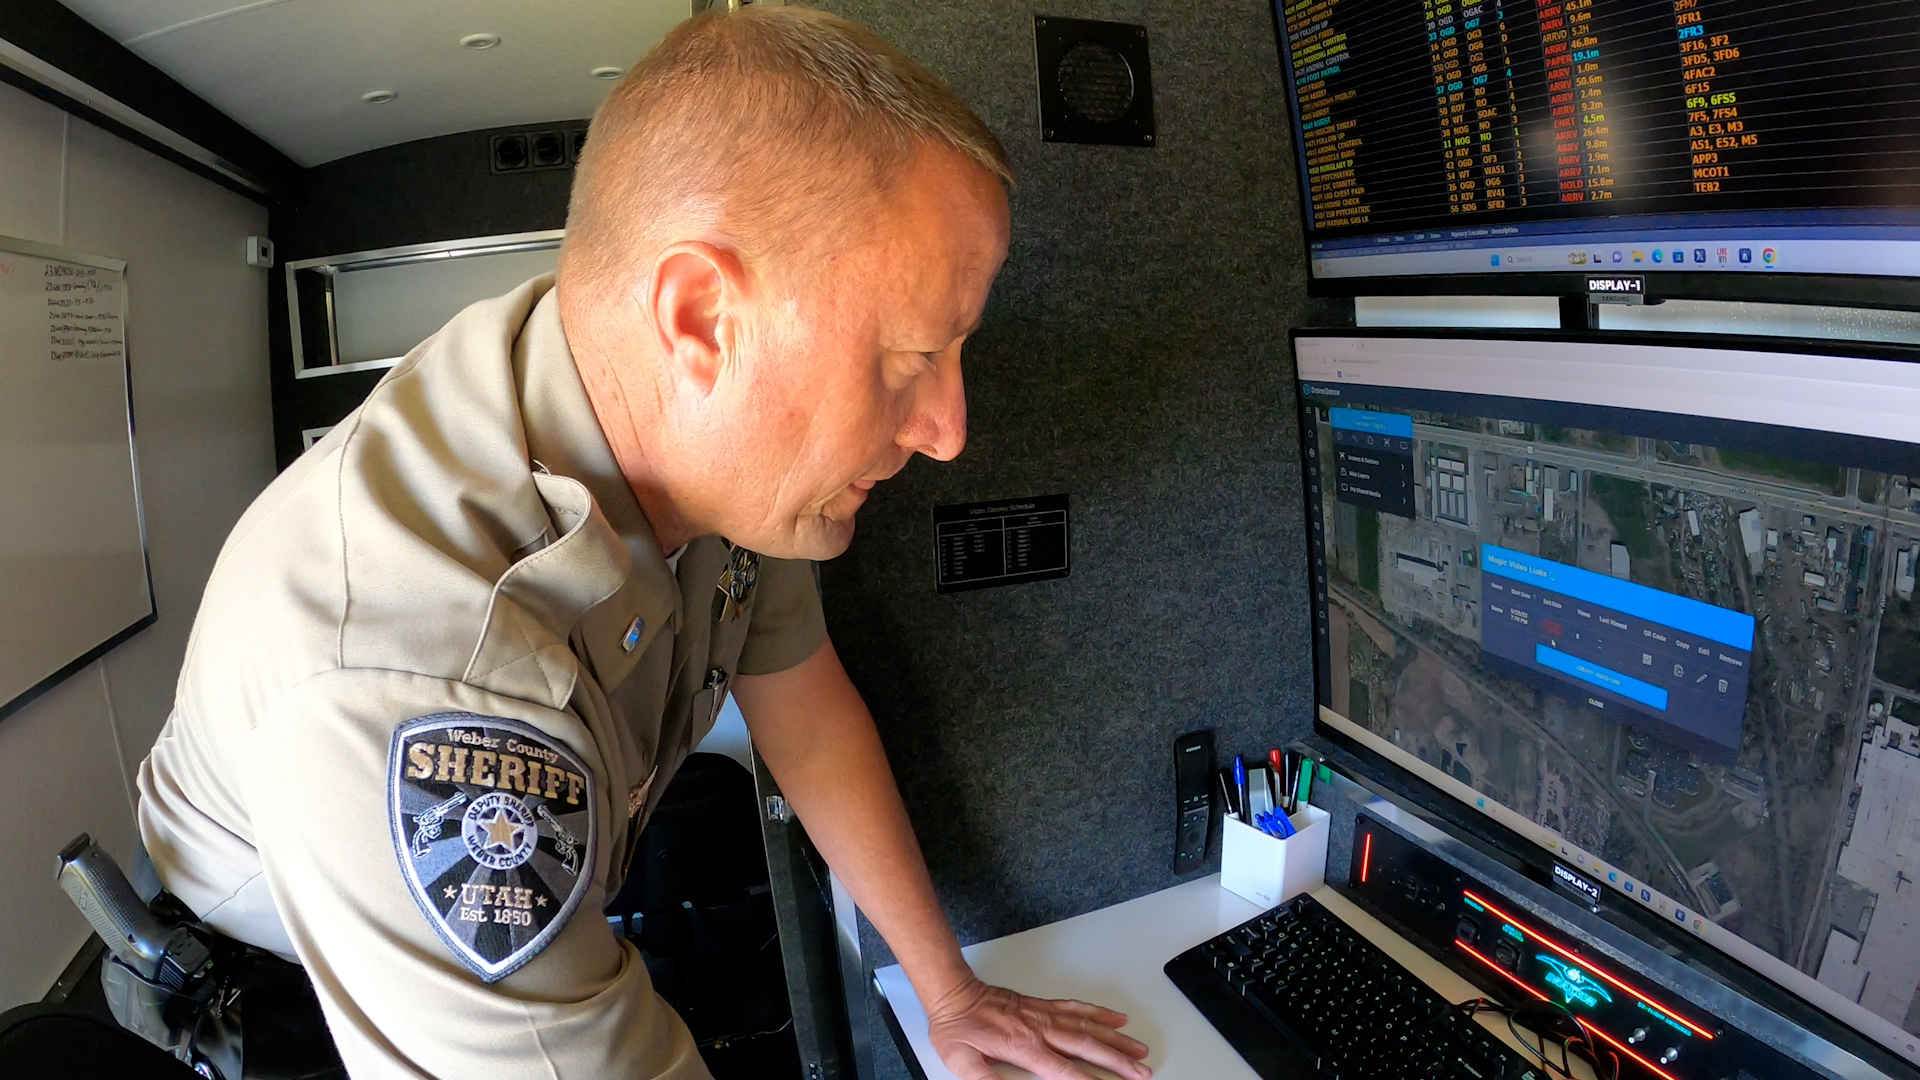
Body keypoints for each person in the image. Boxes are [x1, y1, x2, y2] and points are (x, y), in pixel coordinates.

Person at [135, 7, 1152, 1080]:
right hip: (296, 971)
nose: (949, 432)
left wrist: (952, 994)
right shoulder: (409, 679)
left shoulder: (716, 450)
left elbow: (804, 710)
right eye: (910, 357)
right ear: (702, 319)